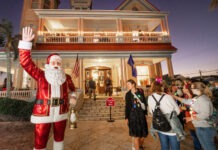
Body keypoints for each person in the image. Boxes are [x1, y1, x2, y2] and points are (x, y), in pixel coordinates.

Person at [18, 26, 76, 150]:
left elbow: (73, 89)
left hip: (61, 111)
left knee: (59, 138)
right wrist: (26, 44)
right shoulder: (40, 75)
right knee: (40, 139)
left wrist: (73, 96)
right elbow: (25, 63)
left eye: (58, 63)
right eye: (54, 63)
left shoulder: (66, 77)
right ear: (48, 64)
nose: (56, 65)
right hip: (43, 112)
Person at [173, 82, 217, 150]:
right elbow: (187, 101)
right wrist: (174, 96)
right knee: (205, 146)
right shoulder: (197, 98)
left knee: (209, 147)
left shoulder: (203, 99)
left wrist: (190, 118)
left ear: (198, 89)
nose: (191, 89)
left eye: (192, 88)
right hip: (200, 126)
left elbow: (205, 114)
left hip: (205, 128)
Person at [148, 80, 182, 150]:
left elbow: (151, 112)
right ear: (161, 87)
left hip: (160, 125)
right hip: (172, 126)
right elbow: (178, 111)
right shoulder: (168, 97)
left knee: (164, 147)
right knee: (175, 147)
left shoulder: (150, 98)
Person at [125, 79, 148, 150]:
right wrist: (126, 117)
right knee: (136, 135)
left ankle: (139, 145)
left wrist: (145, 113)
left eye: (128, 84)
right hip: (133, 116)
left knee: (144, 134)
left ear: (133, 84)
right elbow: (127, 106)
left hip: (141, 115)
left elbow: (144, 103)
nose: (127, 86)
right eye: (127, 84)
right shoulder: (128, 94)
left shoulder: (140, 92)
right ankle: (136, 146)